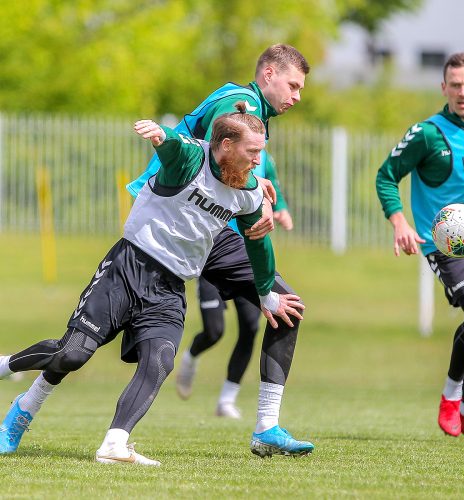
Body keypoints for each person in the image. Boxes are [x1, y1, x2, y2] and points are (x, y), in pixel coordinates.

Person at [0, 105, 313, 464]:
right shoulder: (192, 158)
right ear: (225, 145)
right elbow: (176, 149)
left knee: (160, 361)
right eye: (253, 152)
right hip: (127, 269)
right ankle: (10, 377)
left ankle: (114, 444)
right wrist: (161, 138)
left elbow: (258, 246)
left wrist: (265, 295)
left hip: (170, 289)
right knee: (72, 353)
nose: (259, 161)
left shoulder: (250, 192)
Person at [127, 44, 306, 419]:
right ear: (268, 74)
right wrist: (258, 195)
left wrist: (260, 189)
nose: (297, 96)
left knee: (279, 307)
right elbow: (222, 153)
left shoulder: (249, 105)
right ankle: (266, 425)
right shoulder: (245, 103)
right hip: (183, 222)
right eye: (293, 85)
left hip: (196, 223)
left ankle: (259, 420)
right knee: (86, 340)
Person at [376, 52, 464, 441]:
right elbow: (386, 176)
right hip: (447, 247)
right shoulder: (428, 134)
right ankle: (450, 396)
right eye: (455, 85)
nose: (463, 92)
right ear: (443, 88)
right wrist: (399, 223)